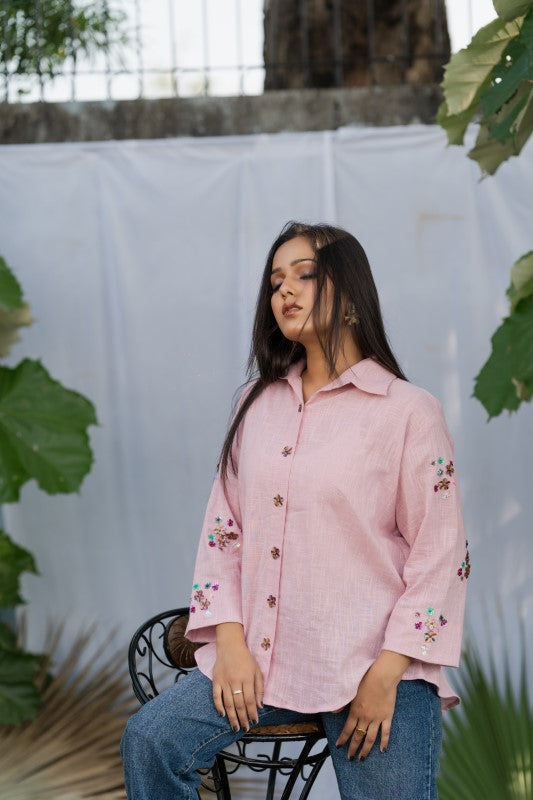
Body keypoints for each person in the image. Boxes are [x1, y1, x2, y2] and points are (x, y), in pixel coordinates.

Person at [121, 221, 469, 800]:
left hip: (377, 666)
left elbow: (441, 554)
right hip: (262, 661)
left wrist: (386, 676)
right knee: (151, 739)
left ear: (351, 292)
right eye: (275, 281)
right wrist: (229, 644)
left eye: (305, 274)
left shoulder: (409, 413)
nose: (285, 291)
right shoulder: (255, 404)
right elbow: (223, 531)